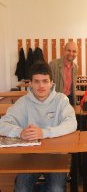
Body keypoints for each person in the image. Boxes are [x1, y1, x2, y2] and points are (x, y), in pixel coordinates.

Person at [0, 60, 77, 192]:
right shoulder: (23, 102)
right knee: (21, 188)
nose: (41, 86)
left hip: (56, 155)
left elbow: (72, 123)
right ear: (30, 83)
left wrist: (44, 133)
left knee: (56, 189)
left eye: (45, 81)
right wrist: (20, 132)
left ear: (51, 83)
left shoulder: (61, 99)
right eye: (36, 81)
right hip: (30, 156)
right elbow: (2, 124)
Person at [49, 41, 78, 105]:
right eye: (68, 50)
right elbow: (48, 86)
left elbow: (73, 87)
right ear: (64, 51)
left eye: (74, 51)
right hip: (55, 100)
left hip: (69, 99)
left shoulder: (75, 67)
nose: (71, 53)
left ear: (77, 53)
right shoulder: (53, 64)